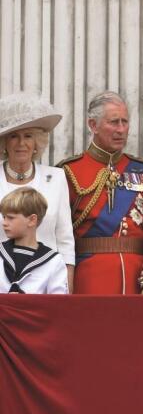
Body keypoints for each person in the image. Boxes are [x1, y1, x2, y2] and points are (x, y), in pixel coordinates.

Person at [58, 91, 143, 294]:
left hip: (137, 280)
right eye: (114, 122)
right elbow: (60, 233)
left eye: (125, 122)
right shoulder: (69, 171)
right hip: (89, 278)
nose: (121, 129)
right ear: (93, 125)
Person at [0, 92, 75, 290]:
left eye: (28, 136)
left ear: (37, 143)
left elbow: (65, 240)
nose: (21, 143)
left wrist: (67, 291)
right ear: (5, 143)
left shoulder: (57, 178)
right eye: (14, 136)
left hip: (47, 283)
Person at [0, 187, 68, 294]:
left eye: (10, 218)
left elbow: (58, 303)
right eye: (4, 217)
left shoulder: (53, 261)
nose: (4, 222)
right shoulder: (1, 252)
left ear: (32, 220)